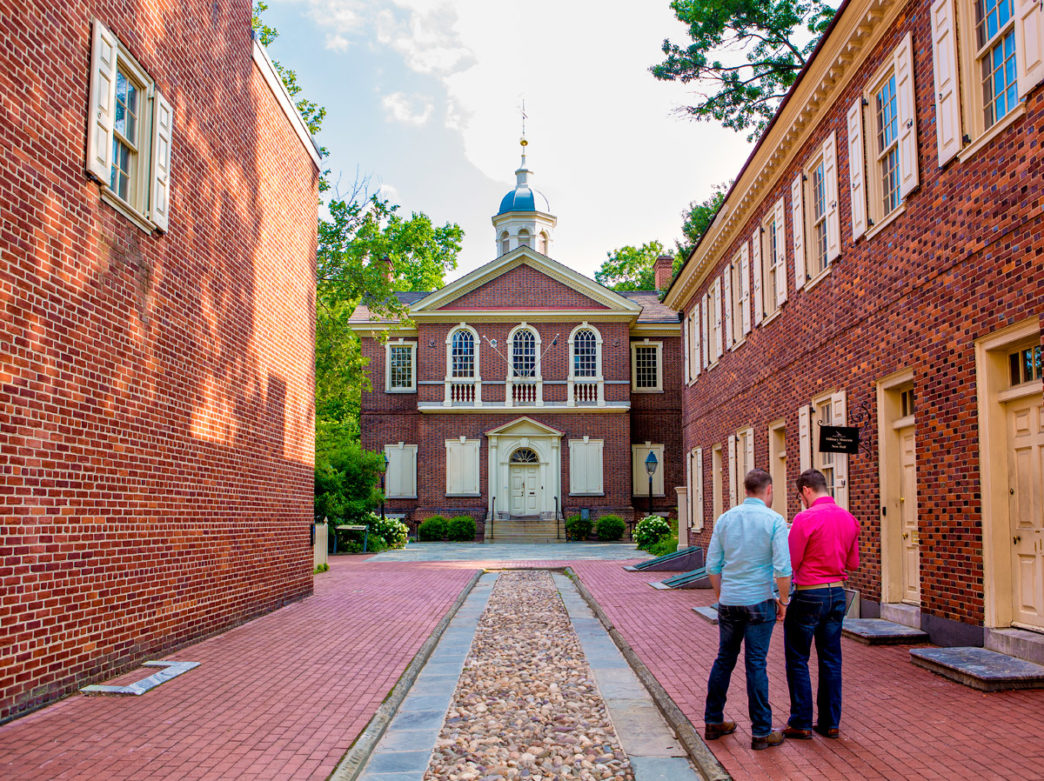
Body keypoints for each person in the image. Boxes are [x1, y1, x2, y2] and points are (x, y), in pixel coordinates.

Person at [704, 468, 792, 751]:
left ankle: (713, 720)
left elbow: (712, 566)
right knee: (756, 663)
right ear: (768, 490)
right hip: (759, 600)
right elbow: (783, 569)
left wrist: (722, 596)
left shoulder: (725, 519)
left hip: (730, 601)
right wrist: (783, 600)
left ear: (745, 491)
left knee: (724, 660)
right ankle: (761, 732)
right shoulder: (775, 521)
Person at [782, 468, 860, 741]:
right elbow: (853, 564)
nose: (800, 500)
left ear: (806, 490)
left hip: (809, 594)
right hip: (837, 594)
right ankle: (830, 722)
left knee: (798, 658)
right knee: (831, 658)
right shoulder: (849, 519)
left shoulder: (805, 519)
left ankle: (801, 721)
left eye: (799, 495)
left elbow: (791, 563)